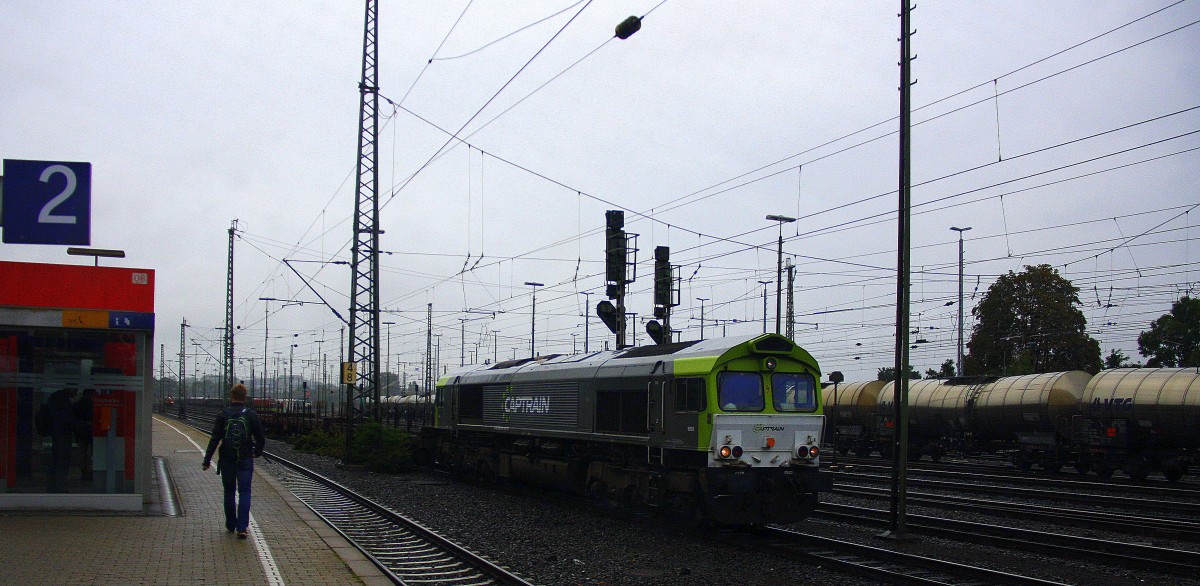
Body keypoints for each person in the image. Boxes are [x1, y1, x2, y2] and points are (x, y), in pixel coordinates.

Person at [202, 383, 265, 539]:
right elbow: (261, 438)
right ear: (245, 397)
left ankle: (231, 524)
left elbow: (215, 439)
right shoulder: (251, 415)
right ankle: (242, 528)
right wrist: (256, 453)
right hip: (245, 458)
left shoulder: (224, 414)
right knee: (245, 492)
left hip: (227, 459)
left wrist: (207, 460)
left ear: (231, 396)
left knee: (229, 492)